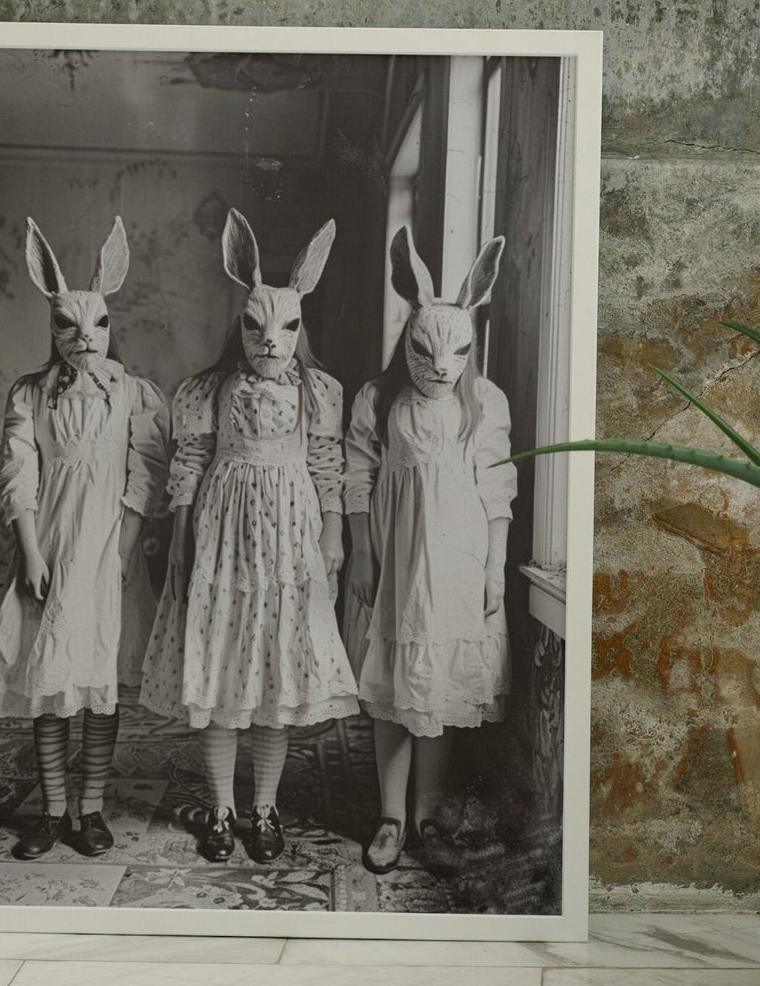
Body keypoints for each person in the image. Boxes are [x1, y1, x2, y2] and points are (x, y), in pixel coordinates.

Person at [141, 209, 357, 863]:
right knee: (223, 669)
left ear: (300, 326)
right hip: (222, 531)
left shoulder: (319, 391)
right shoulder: (208, 389)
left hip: (289, 536)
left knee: (273, 672)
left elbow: (326, 467)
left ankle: (263, 808)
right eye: (256, 325)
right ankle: (220, 808)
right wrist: (180, 537)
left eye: (285, 327)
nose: (270, 340)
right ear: (239, 323)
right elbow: (189, 461)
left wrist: (332, 535)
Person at [0, 215, 168, 859]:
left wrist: (124, 550)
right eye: (69, 326)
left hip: (108, 551)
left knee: (100, 676)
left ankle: (91, 809)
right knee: (52, 679)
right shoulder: (30, 396)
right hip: (52, 548)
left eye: (97, 326)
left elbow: (145, 472)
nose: (85, 339)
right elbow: (18, 473)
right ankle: (52, 810)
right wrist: (30, 550)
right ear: (53, 328)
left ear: (111, 326)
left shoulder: (133, 394)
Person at [343, 225, 516, 874]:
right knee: (394, 688)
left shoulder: (483, 402)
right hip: (396, 563)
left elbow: (497, 486)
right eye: (424, 352)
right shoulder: (378, 400)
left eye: (455, 354)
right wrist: (361, 552)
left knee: (437, 692)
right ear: (407, 340)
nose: (440, 367)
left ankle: (427, 817)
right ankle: (389, 815)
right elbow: (356, 477)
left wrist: (495, 566)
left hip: (457, 564)